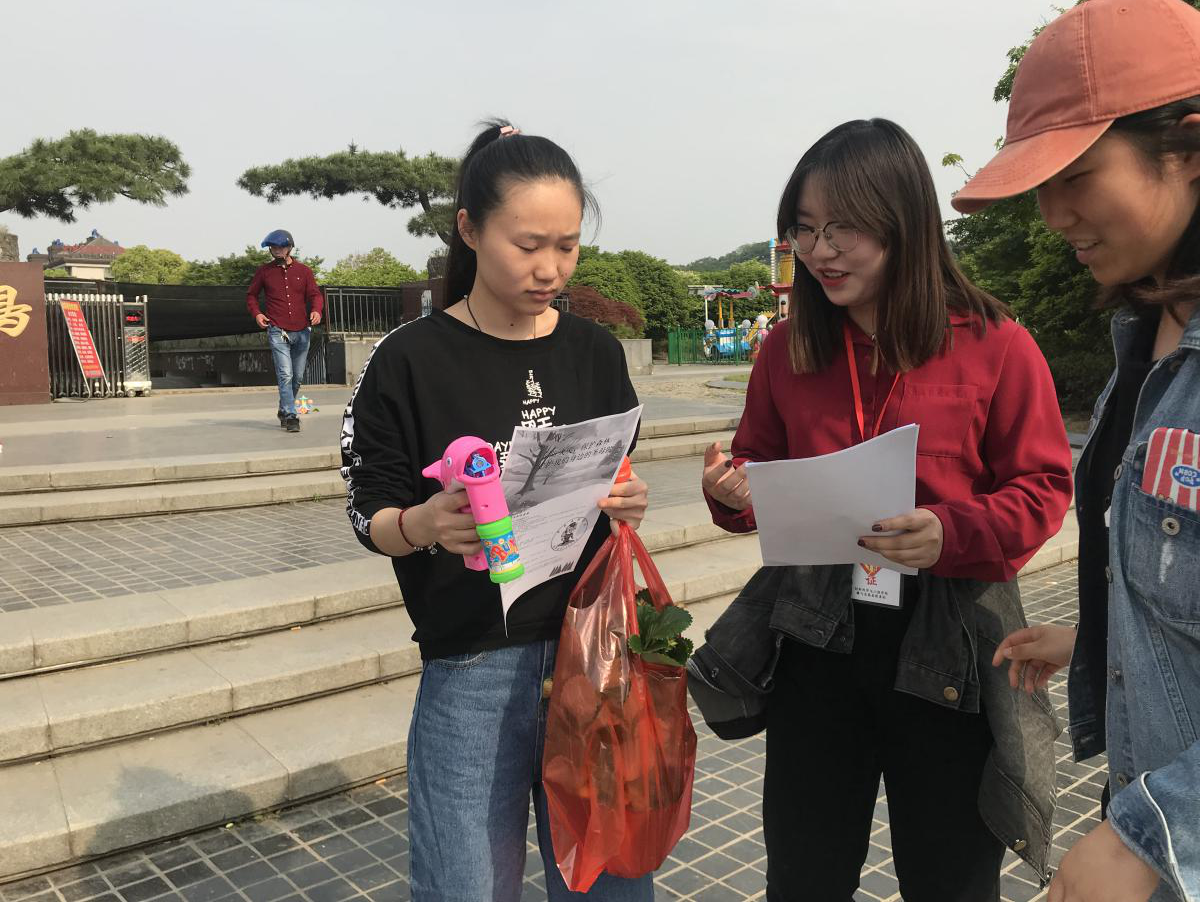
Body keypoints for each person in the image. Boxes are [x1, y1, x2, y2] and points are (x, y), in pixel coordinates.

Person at [700, 117, 1073, 901]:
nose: (819, 250)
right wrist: (731, 491)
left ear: (901, 221)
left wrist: (949, 531)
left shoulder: (994, 343)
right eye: (804, 229)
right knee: (803, 873)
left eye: (842, 227)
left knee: (949, 878)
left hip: (949, 639)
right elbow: (754, 465)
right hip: (815, 632)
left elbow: (1042, 486)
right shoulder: (787, 348)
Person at [971, 0, 1200, 902]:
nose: (1051, 214)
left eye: (1074, 176)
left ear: (1189, 148)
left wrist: (1146, 841)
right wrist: (1103, 637)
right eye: (1039, 187)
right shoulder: (1150, 329)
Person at [340, 120, 651, 902]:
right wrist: (422, 524)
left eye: (567, 246)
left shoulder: (594, 352)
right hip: (472, 667)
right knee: (466, 886)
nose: (550, 268)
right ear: (470, 230)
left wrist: (627, 499)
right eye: (527, 244)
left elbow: (615, 473)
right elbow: (369, 510)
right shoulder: (408, 359)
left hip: (593, 654)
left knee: (609, 882)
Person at [246, 229, 323, 432]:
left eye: (281, 247)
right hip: (277, 329)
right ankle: (290, 416)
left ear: (289, 247)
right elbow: (251, 295)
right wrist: (257, 314)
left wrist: (316, 310)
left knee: (297, 377)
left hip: (302, 331)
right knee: (286, 374)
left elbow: (315, 295)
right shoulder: (264, 271)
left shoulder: (304, 271)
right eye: (273, 247)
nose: (277, 250)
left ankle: (283, 408)